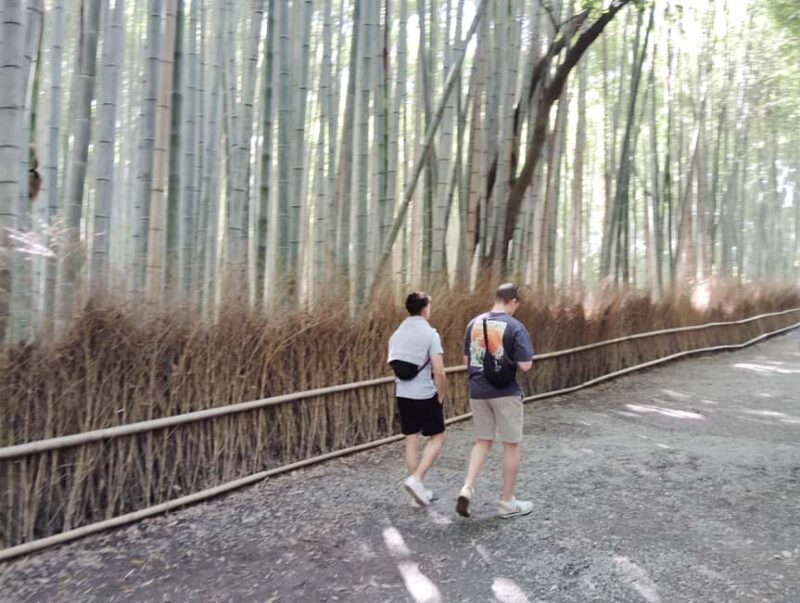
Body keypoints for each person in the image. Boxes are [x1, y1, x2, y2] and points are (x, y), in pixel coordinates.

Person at [456, 283, 535, 519]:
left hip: (478, 390)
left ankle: (467, 488)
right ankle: (507, 502)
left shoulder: (474, 323)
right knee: (511, 444)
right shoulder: (515, 326)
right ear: (513, 301)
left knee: (483, 441)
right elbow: (526, 365)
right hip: (505, 391)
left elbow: (466, 360)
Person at [388, 291, 447, 507]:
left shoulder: (396, 334)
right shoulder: (430, 334)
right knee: (438, 437)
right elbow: (439, 371)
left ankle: (416, 494)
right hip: (424, 393)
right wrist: (440, 394)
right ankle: (416, 479)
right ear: (424, 309)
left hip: (402, 394)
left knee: (411, 439)